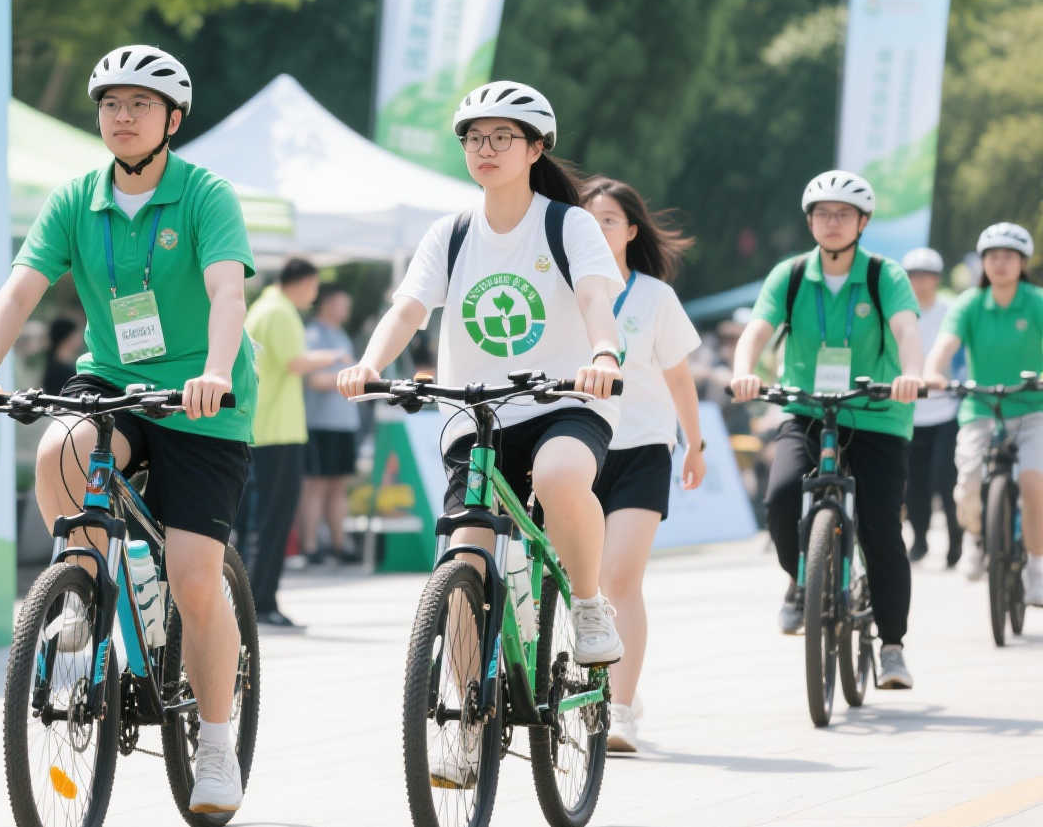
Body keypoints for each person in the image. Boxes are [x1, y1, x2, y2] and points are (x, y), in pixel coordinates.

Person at [0, 44, 257, 815]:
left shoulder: (204, 195)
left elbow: (228, 293)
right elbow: (18, 292)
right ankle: (80, 604)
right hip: (115, 381)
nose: (122, 117)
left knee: (194, 576)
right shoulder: (75, 201)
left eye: (140, 105)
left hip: (202, 397)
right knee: (60, 449)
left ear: (173, 120)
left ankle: (215, 741)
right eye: (111, 104)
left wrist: (215, 369)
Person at [336, 81, 626, 789]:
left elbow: (596, 296)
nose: (485, 149)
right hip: (476, 412)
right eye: (474, 138)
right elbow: (409, 308)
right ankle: (467, 720)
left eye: (502, 137)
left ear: (535, 149)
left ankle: (589, 603)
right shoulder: (452, 231)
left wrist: (604, 353)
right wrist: (371, 363)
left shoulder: (568, 225)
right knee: (464, 558)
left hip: (563, 400)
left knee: (560, 476)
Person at [729, 170, 925, 690]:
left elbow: (906, 329)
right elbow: (757, 330)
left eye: (843, 214)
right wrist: (743, 371)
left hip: (877, 413)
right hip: (808, 409)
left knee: (880, 529)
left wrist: (912, 375)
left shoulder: (885, 275)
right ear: (809, 221)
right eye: (822, 213)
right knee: (781, 497)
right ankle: (801, 582)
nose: (832, 222)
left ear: (863, 222)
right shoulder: (791, 275)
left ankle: (892, 647)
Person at [579, 176, 705, 753]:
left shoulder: (654, 297)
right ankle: (586, 688)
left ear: (631, 230)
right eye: (588, 219)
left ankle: (622, 710)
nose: (598, 229)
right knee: (578, 584)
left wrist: (695, 444)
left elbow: (679, 377)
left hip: (644, 449)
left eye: (609, 219)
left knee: (620, 578)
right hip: (577, 447)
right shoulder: (564, 289)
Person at [925, 223, 1043, 603]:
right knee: (968, 483)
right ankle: (976, 537)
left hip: (1033, 408)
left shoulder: (1036, 301)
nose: (1000, 263)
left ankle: (1037, 567)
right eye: (992, 256)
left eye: (1009, 256)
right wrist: (933, 373)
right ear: (983, 263)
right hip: (981, 408)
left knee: (1034, 484)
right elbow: (945, 346)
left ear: (1022, 262)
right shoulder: (970, 304)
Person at [243, 258, 342, 628]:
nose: (314, 296)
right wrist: (335, 357)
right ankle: (262, 603)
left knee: (261, 521)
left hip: (261, 428)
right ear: (300, 283)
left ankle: (253, 601)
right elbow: (295, 363)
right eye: (313, 287)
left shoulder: (261, 308)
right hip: (278, 431)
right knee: (274, 520)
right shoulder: (280, 312)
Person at [899, 247, 963, 567]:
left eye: (926, 275)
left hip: (947, 409)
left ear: (937, 278)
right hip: (910, 411)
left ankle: (955, 541)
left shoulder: (952, 310)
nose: (920, 281)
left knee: (945, 479)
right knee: (914, 483)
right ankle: (920, 540)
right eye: (913, 275)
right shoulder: (899, 313)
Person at [300, 287, 361, 566]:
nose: (346, 309)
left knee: (339, 485)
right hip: (320, 423)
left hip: (344, 423)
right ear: (327, 303)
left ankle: (339, 544)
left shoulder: (341, 335)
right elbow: (313, 380)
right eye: (341, 303)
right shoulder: (313, 335)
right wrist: (349, 379)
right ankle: (310, 547)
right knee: (316, 485)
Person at [42, 314, 81, 394]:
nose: (80, 338)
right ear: (67, 337)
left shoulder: (55, 365)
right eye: (76, 335)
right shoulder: (60, 371)